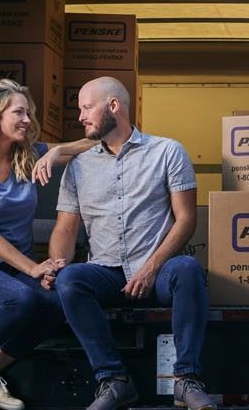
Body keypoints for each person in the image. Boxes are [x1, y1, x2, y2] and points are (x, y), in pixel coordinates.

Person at [42, 76, 216, 410]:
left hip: (158, 271)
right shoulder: (78, 166)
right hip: (105, 272)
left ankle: (187, 379)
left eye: (86, 107)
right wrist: (55, 265)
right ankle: (113, 380)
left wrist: (151, 268)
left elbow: (186, 220)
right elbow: (66, 228)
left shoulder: (168, 151)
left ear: (113, 106)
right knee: (70, 280)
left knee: (189, 270)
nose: (80, 117)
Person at [0, 79, 96, 410]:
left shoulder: (28, 155)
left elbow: (91, 143)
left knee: (57, 304)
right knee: (21, 299)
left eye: (29, 113)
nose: (27, 119)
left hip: (11, 269)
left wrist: (56, 151)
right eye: (19, 112)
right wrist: (33, 267)